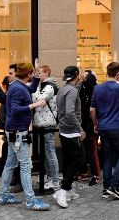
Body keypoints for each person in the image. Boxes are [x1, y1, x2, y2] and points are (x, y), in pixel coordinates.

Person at [0, 62, 51, 211]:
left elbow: (31, 88)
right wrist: (35, 105)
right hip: (18, 132)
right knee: (26, 165)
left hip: (13, 131)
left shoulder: (17, 85)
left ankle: (4, 194)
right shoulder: (18, 89)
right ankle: (31, 200)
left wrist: (35, 73)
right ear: (28, 74)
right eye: (32, 73)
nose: (34, 75)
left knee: (10, 164)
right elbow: (14, 109)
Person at [91, 62, 119, 200]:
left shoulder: (97, 88)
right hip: (117, 126)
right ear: (118, 73)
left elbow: (92, 110)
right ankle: (115, 187)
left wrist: (95, 124)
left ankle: (106, 188)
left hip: (103, 126)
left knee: (108, 156)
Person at [53, 65, 85, 208]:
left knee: (68, 160)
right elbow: (70, 112)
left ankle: (69, 189)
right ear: (76, 75)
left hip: (64, 129)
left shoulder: (64, 88)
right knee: (78, 159)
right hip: (72, 131)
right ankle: (63, 190)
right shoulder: (72, 91)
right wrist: (80, 130)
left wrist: (81, 81)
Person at [32, 65, 60, 190]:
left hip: (47, 124)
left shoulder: (50, 86)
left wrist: (34, 97)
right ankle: (49, 178)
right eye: (37, 72)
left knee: (49, 153)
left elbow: (38, 98)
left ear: (47, 73)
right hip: (39, 123)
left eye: (40, 72)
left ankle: (54, 180)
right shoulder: (40, 86)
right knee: (42, 152)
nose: (38, 74)